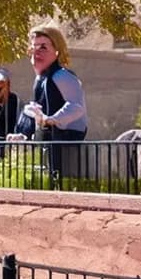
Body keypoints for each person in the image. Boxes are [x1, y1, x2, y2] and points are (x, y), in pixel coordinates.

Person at [26, 23, 88, 180]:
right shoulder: (40, 79)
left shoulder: (62, 76)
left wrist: (53, 119)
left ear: (57, 50)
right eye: (34, 47)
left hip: (67, 134)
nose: (37, 52)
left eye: (43, 47)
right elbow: (37, 108)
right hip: (48, 135)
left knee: (57, 171)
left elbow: (76, 107)